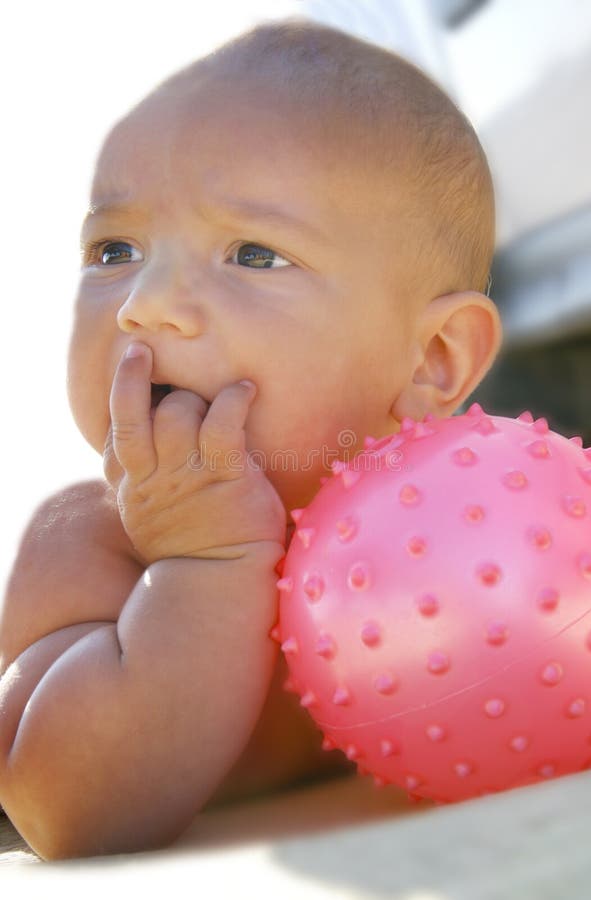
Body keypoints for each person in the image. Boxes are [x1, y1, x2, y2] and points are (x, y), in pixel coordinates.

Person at [0, 19, 502, 859]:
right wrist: (203, 565)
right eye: (114, 249)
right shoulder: (91, 542)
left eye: (255, 255)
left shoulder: (468, 544)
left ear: (434, 359)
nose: (147, 302)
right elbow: (65, 811)